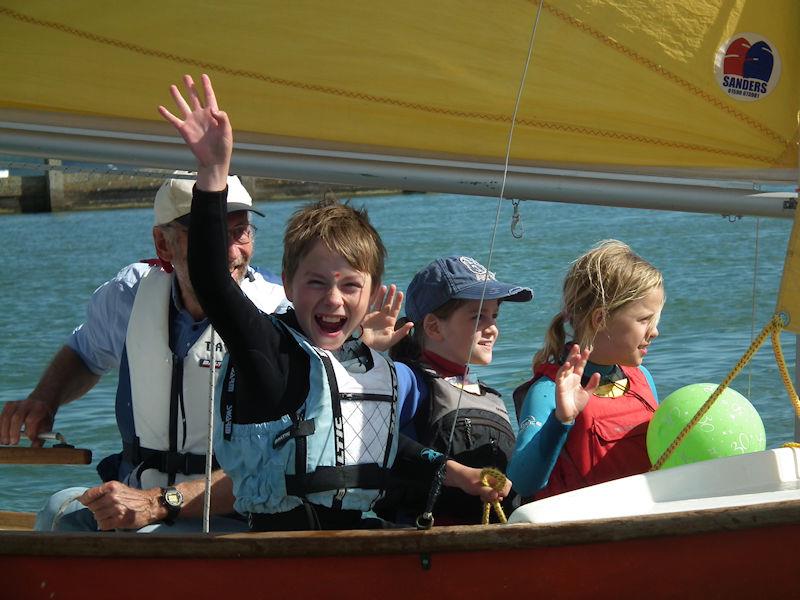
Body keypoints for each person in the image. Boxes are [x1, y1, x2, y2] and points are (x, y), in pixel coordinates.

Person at [158, 73, 510, 531]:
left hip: (352, 541)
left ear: (372, 290)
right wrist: (213, 172)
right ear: (286, 284)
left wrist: (460, 475)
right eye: (316, 282)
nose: (333, 299)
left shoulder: (364, 361)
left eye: (349, 286)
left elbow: (386, 447)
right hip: (284, 553)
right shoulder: (268, 350)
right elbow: (212, 281)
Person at [0, 175, 288, 532]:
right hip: (140, 494)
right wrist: (44, 399)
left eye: (240, 231)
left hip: (233, 514)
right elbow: (85, 352)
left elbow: (281, 460)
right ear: (163, 244)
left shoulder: (279, 313)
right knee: (58, 512)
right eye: (210, 235)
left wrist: (158, 503)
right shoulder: (128, 295)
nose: (230, 252)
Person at [376, 256, 531, 525]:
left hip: (490, 542)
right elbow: (375, 438)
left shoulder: (492, 397)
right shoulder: (407, 379)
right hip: (425, 545)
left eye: (494, 315)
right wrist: (458, 474)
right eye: (478, 316)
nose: (492, 328)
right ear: (434, 326)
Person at [508, 239, 664, 499]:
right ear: (600, 319)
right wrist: (562, 420)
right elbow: (521, 483)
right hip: (590, 533)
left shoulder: (642, 379)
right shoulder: (548, 391)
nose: (655, 332)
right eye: (644, 320)